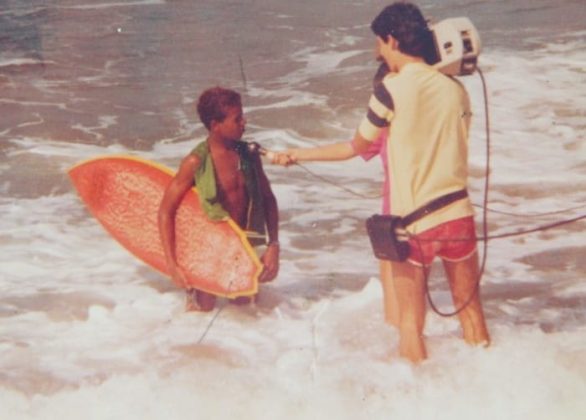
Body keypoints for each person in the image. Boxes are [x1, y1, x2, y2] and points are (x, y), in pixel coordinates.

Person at [274, 2, 489, 363]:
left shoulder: (391, 88)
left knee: (410, 323)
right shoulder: (456, 90)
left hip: (415, 223)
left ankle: (417, 403)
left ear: (392, 39)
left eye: (380, 44)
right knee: (472, 314)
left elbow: (355, 147)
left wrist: (297, 154)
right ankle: (490, 391)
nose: (379, 52)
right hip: (459, 217)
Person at [158, 86, 280, 312]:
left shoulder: (249, 156)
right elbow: (166, 211)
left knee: (246, 311)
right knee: (203, 311)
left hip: (243, 247)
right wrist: (172, 265)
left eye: (242, 116)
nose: (244, 123)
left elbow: (268, 199)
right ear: (215, 125)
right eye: (237, 119)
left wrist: (273, 245)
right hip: (208, 249)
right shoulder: (196, 162)